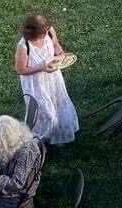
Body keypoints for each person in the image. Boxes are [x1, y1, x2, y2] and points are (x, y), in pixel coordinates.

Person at [15, 14, 78, 145]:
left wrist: (60, 55)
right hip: (35, 83)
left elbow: (56, 45)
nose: (45, 34)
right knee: (44, 111)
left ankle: (59, 136)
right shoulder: (24, 46)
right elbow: (20, 70)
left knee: (59, 105)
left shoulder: (49, 31)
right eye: (41, 32)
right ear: (32, 32)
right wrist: (41, 68)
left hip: (53, 77)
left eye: (46, 31)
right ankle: (39, 140)